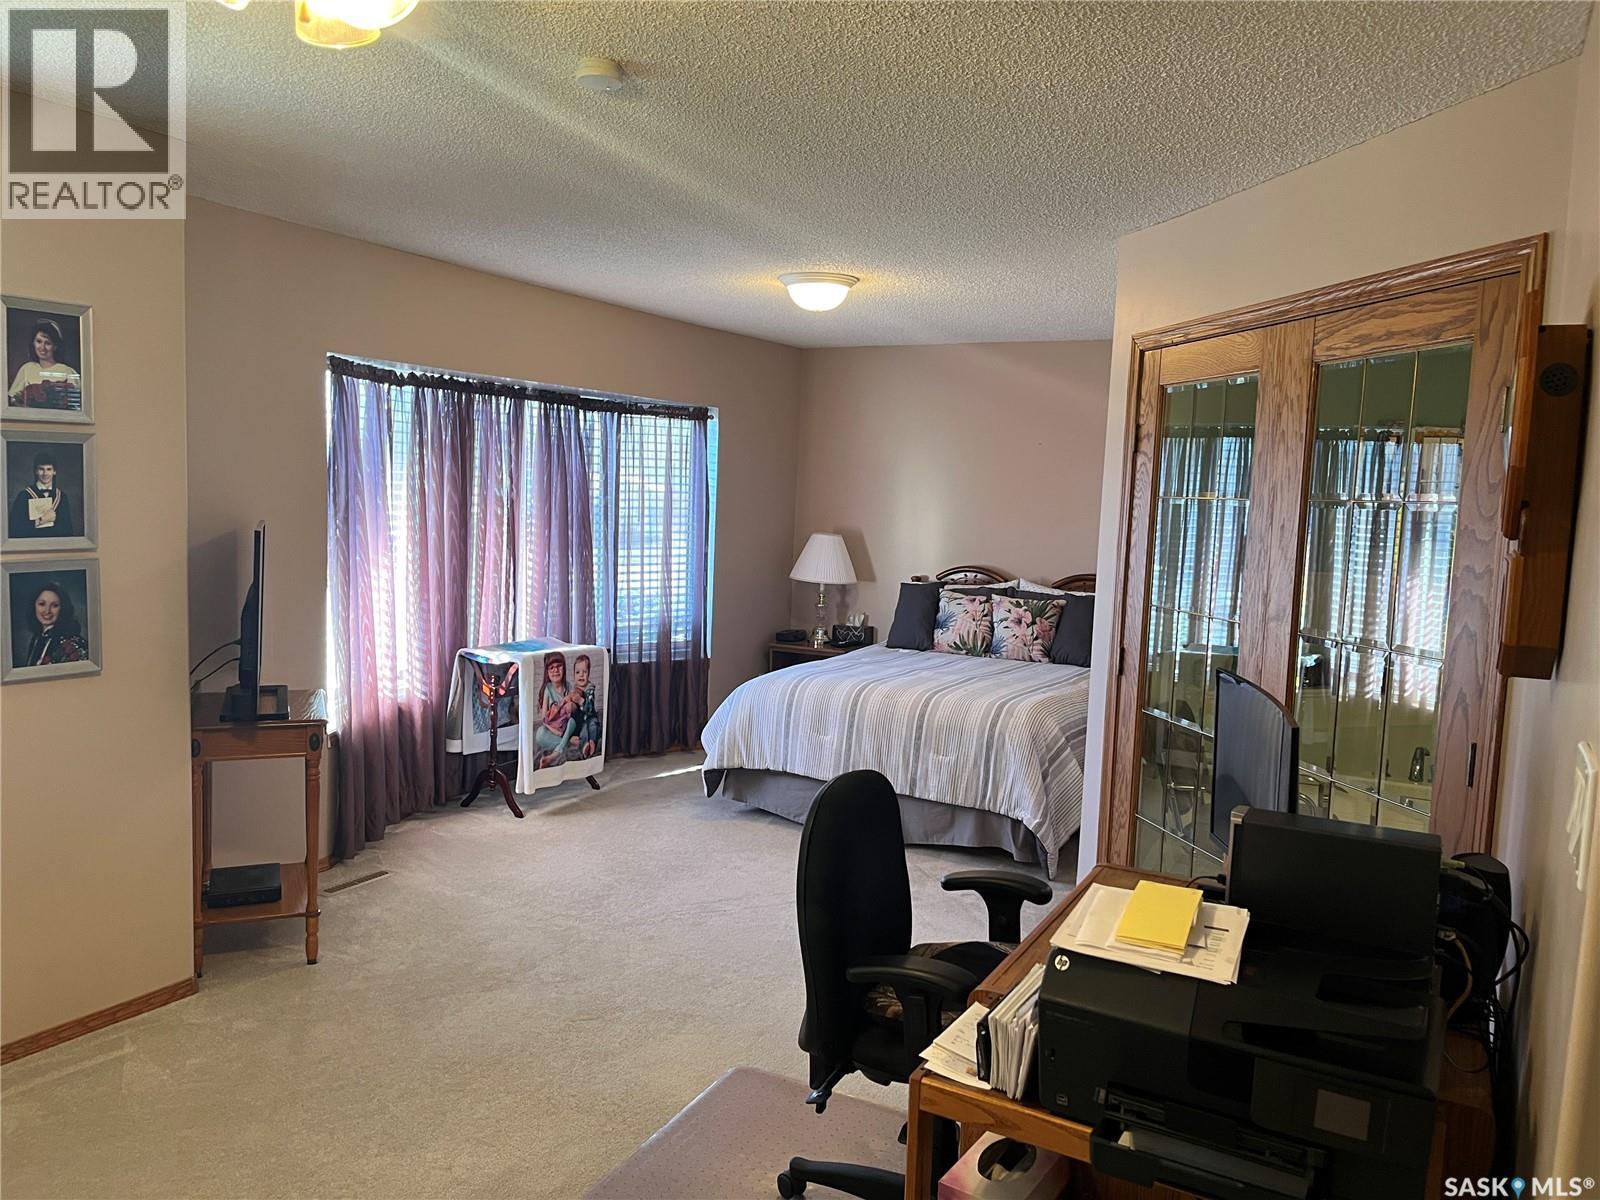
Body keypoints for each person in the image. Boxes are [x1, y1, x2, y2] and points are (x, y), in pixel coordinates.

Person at [7, 319, 82, 410]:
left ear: (55, 346)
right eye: (39, 341)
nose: (42, 348)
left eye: (48, 343)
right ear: (33, 343)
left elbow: (76, 406)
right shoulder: (27, 368)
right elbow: (13, 399)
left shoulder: (67, 371)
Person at [17, 581, 89, 667]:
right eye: (42, 604)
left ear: (63, 608)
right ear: (33, 606)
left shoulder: (73, 643)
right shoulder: (36, 638)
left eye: (55, 605)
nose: (47, 611)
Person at [9, 448, 75, 539]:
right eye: (41, 469)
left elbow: (68, 531)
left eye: (49, 469)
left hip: (56, 548)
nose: (45, 473)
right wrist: (41, 520)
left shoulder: (62, 497)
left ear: (54, 472)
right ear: (35, 471)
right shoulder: (24, 496)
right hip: (30, 548)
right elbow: (15, 529)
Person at [532, 652, 576, 767]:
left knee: (573, 722)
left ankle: (555, 753)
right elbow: (544, 719)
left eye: (559, 666)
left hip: (566, 726)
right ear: (547, 672)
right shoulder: (548, 689)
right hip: (554, 729)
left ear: (564, 668)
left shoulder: (568, 686)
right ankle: (567, 742)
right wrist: (555, 731)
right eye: (551, 668)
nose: (555, 671)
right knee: (540, 734)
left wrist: (572, 706)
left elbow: (574, 711)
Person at [566, 653, 601, 759]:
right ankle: (585, 745)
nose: (581, 675)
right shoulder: (573, 690)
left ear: (589, 674)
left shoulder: (590, 689)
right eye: (577, 672)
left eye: (584, 672)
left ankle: (592, 742)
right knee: (584, 730)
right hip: (580, 721)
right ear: (574, 675)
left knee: (594, 726)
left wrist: (581, 701)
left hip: (590, 717)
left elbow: (590, 709)